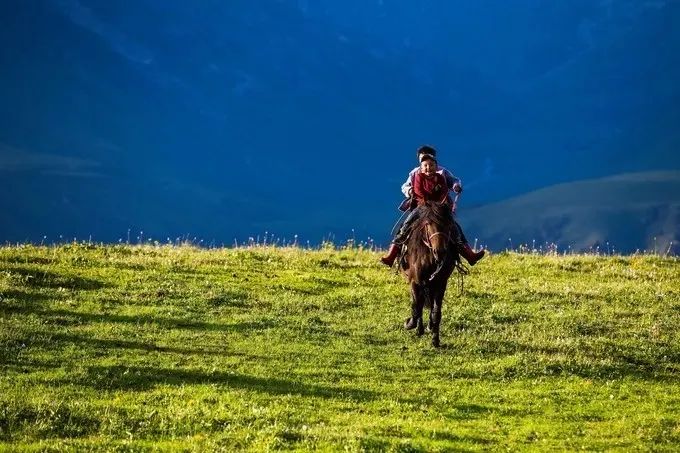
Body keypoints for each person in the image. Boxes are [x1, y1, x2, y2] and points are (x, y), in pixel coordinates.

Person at [381, 145, 485, 267]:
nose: (427, 165)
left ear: (434, 160)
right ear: (420, 161)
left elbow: (451, 182)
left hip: (439, 207)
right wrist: (410, 191)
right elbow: (407, 187)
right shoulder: (415, 173)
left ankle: (469, 254)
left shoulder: (442, 173)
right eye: (423, 159)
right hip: (421, 206)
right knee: (406, 225)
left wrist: (456, 186)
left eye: (430, 159)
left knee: (454, 227)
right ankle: (392, 256)